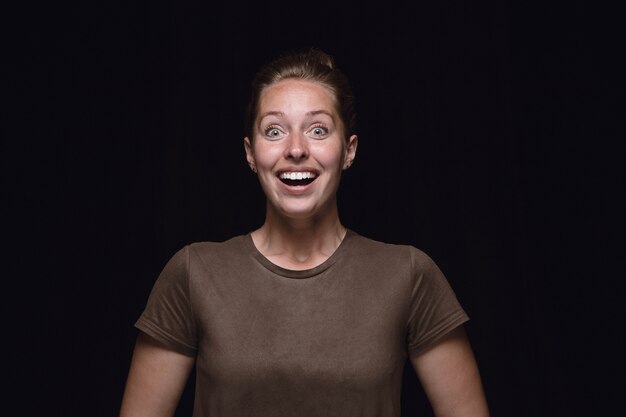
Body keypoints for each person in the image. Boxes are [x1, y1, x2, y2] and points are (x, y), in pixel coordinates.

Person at [119, 48, 490, 417]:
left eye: (317, 130)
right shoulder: (193, 272)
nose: (296, 149)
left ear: (349, 149)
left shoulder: (408, 274)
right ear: (251, 153)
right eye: (275, 130)